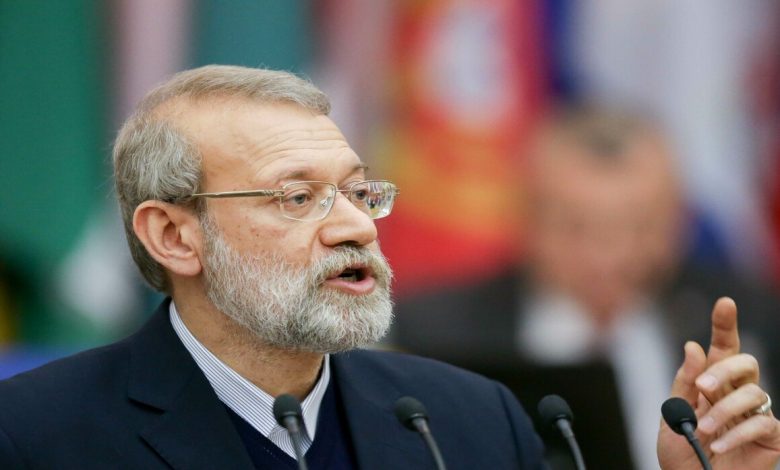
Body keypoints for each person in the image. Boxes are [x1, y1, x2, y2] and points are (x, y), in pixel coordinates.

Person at [0, 66, 776, 469]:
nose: (355, 225)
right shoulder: (32, 436)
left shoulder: (471, 422)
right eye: (297, 197)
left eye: (358, 191)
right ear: (174, 236)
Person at [392, 105, 780, 469]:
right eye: (576, 227)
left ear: (680, 223)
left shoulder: (752, 320)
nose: (608, 256)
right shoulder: (433, 334)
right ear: (528, 219)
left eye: (639, 227)